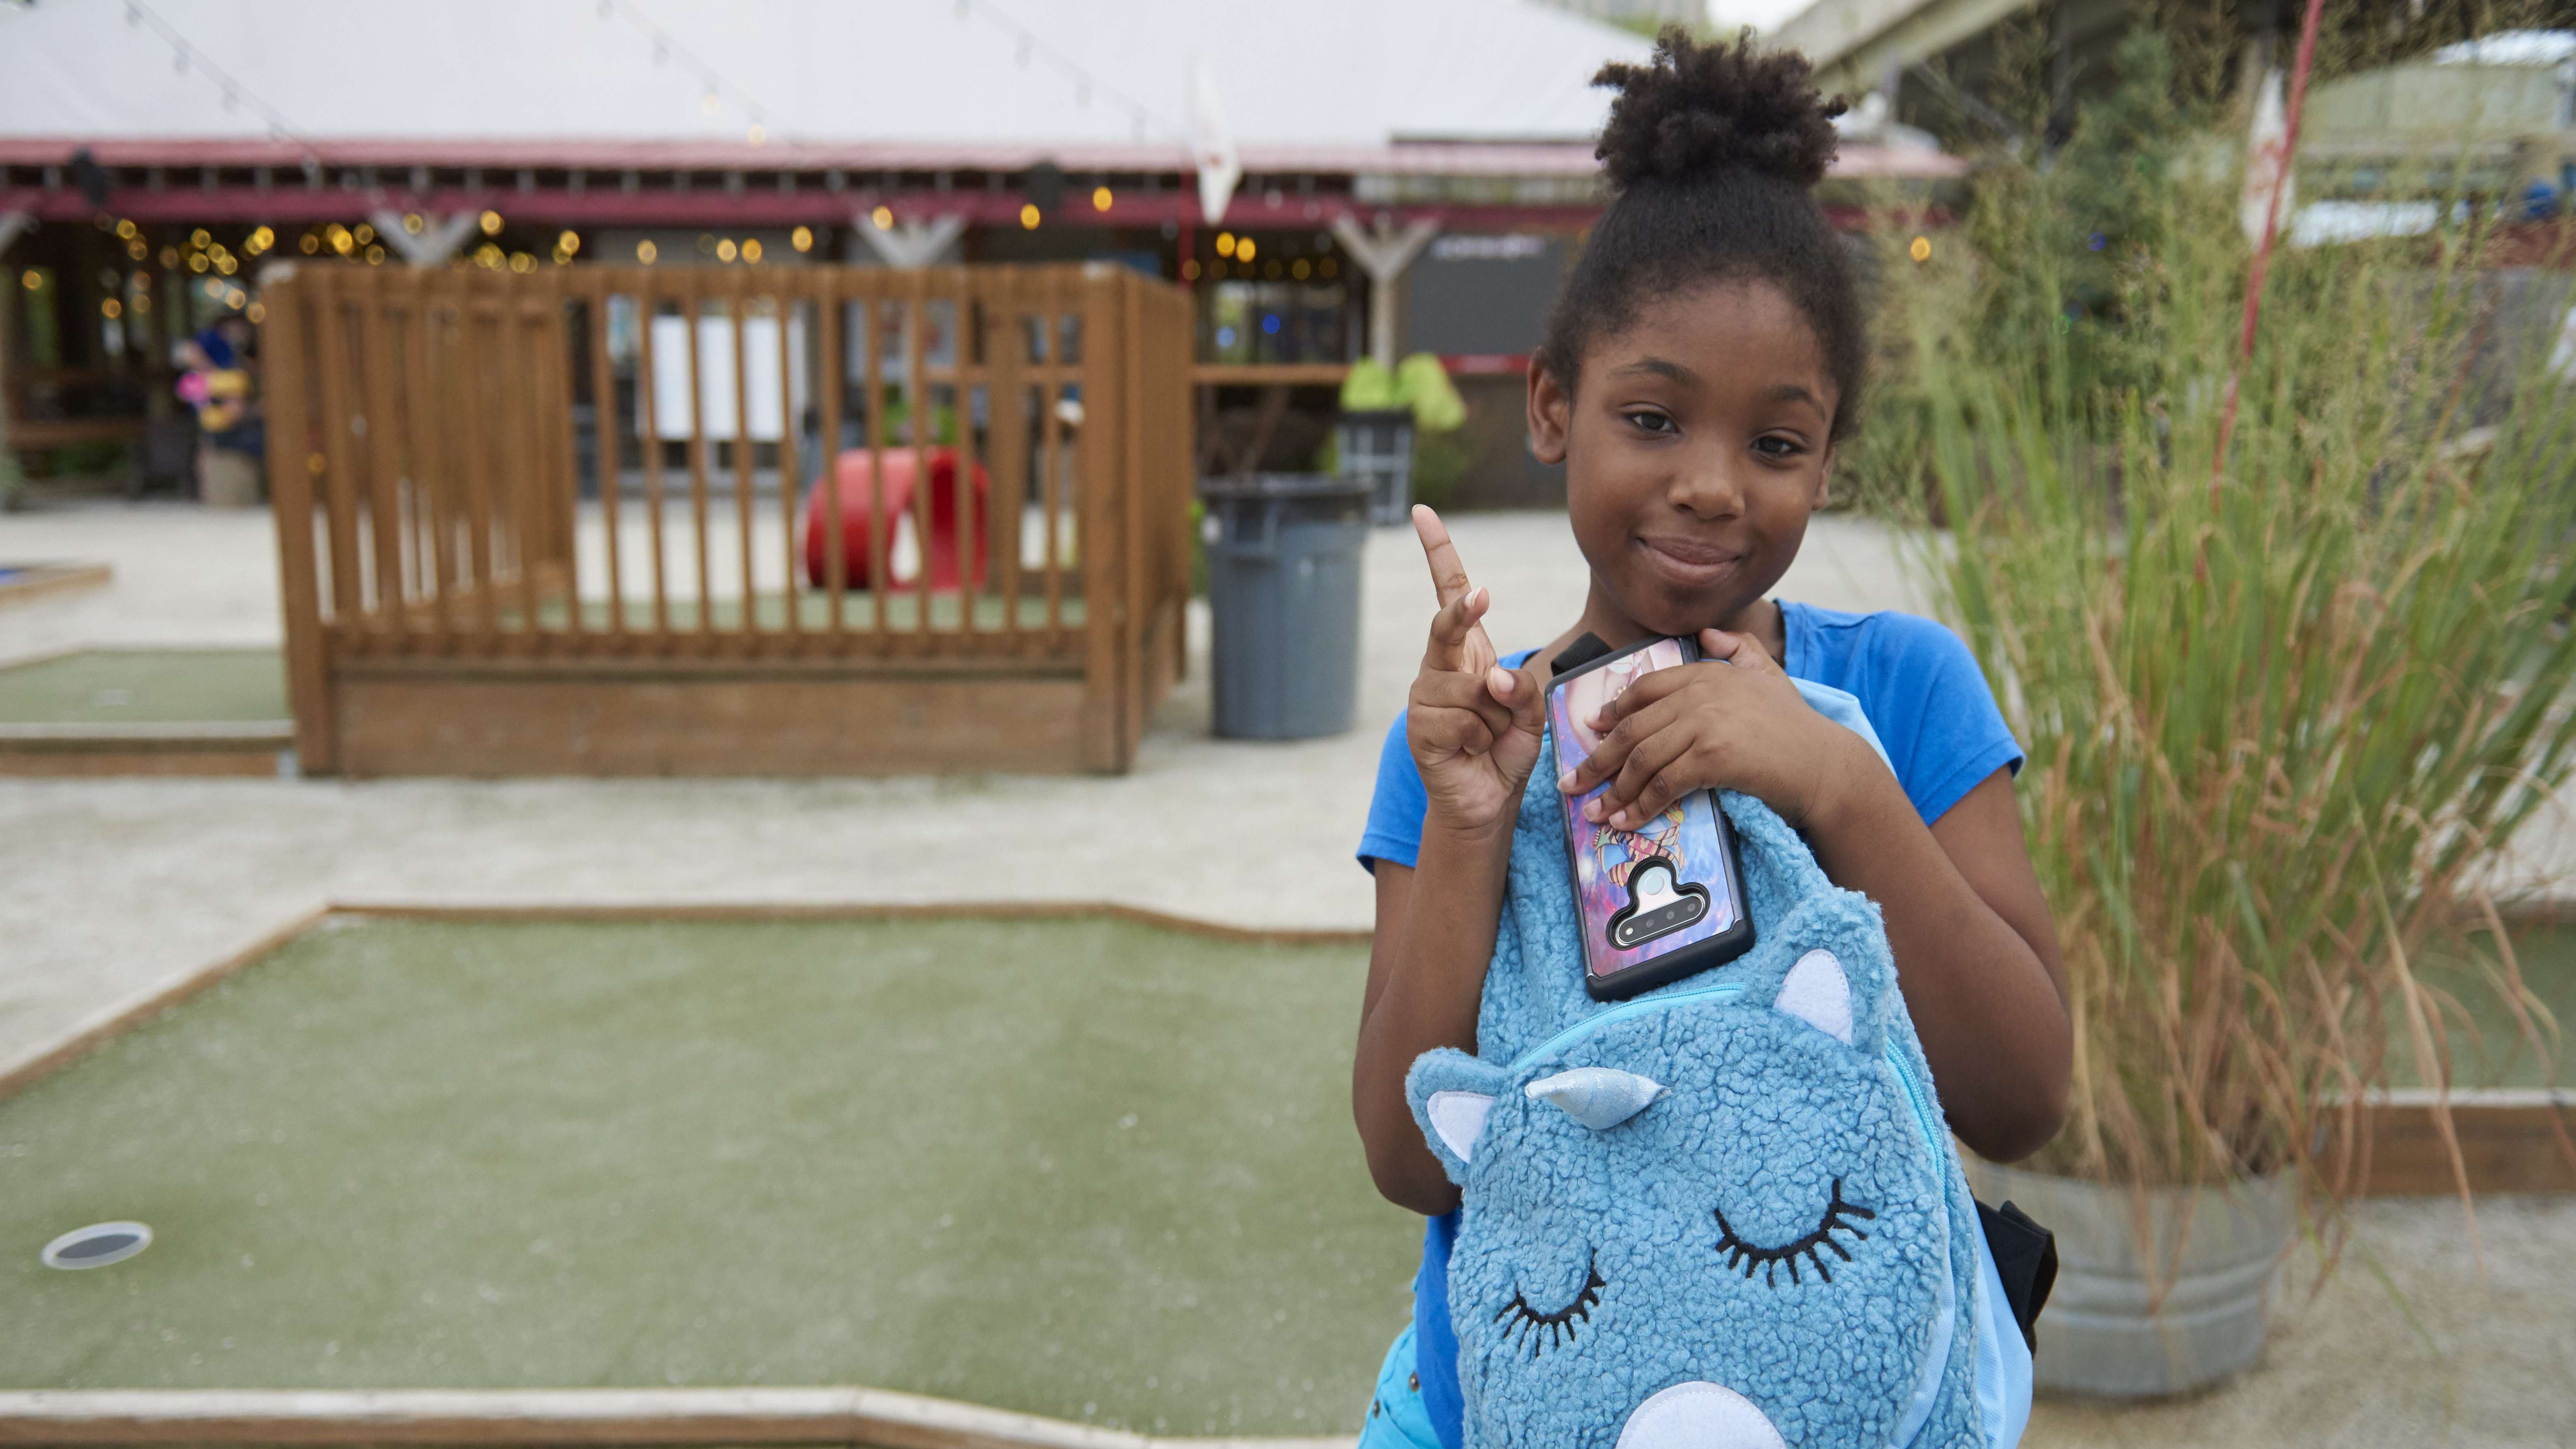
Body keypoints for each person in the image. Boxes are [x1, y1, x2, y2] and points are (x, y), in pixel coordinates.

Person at [1348, 31, 2070, 1449]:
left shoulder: (1901, 697)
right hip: (1507, 1403)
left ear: (1830, 451)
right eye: (1652, 416)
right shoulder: (1465, 740)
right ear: (1554, 406)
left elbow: (2023, 1093)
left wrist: (1832, 779)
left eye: (1775, 443)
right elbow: (1407, 1160)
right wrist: (1473, 828)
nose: (1708, 486)